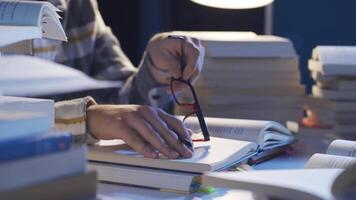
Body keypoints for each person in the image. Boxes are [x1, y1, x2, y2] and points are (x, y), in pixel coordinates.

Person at [36, 0, 205, 159]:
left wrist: (154, 72)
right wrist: (85, 120)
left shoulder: (78, 5)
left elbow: (120, 111)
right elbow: (9, 121)